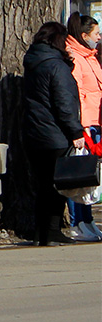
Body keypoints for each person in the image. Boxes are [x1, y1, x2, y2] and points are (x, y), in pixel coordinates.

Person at [22, 21, 88, 246]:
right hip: (55, 134)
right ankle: (52, 231)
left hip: (34, 134)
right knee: (59, 186)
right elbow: (64, 103)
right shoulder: (56, 67)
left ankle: (41, 232)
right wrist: (76, 131)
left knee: (42, 185)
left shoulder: (33, 63)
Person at [65, 13, 102, 241]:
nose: (99, 38)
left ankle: (87, 219)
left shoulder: (90, 56)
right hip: (85, 123)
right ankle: (76, 221)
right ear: (84, 35)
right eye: (96, 34)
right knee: (77, 176)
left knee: (89, 176)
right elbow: (76, 93)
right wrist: (78, 127)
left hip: (95, 121)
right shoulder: (76, 58)